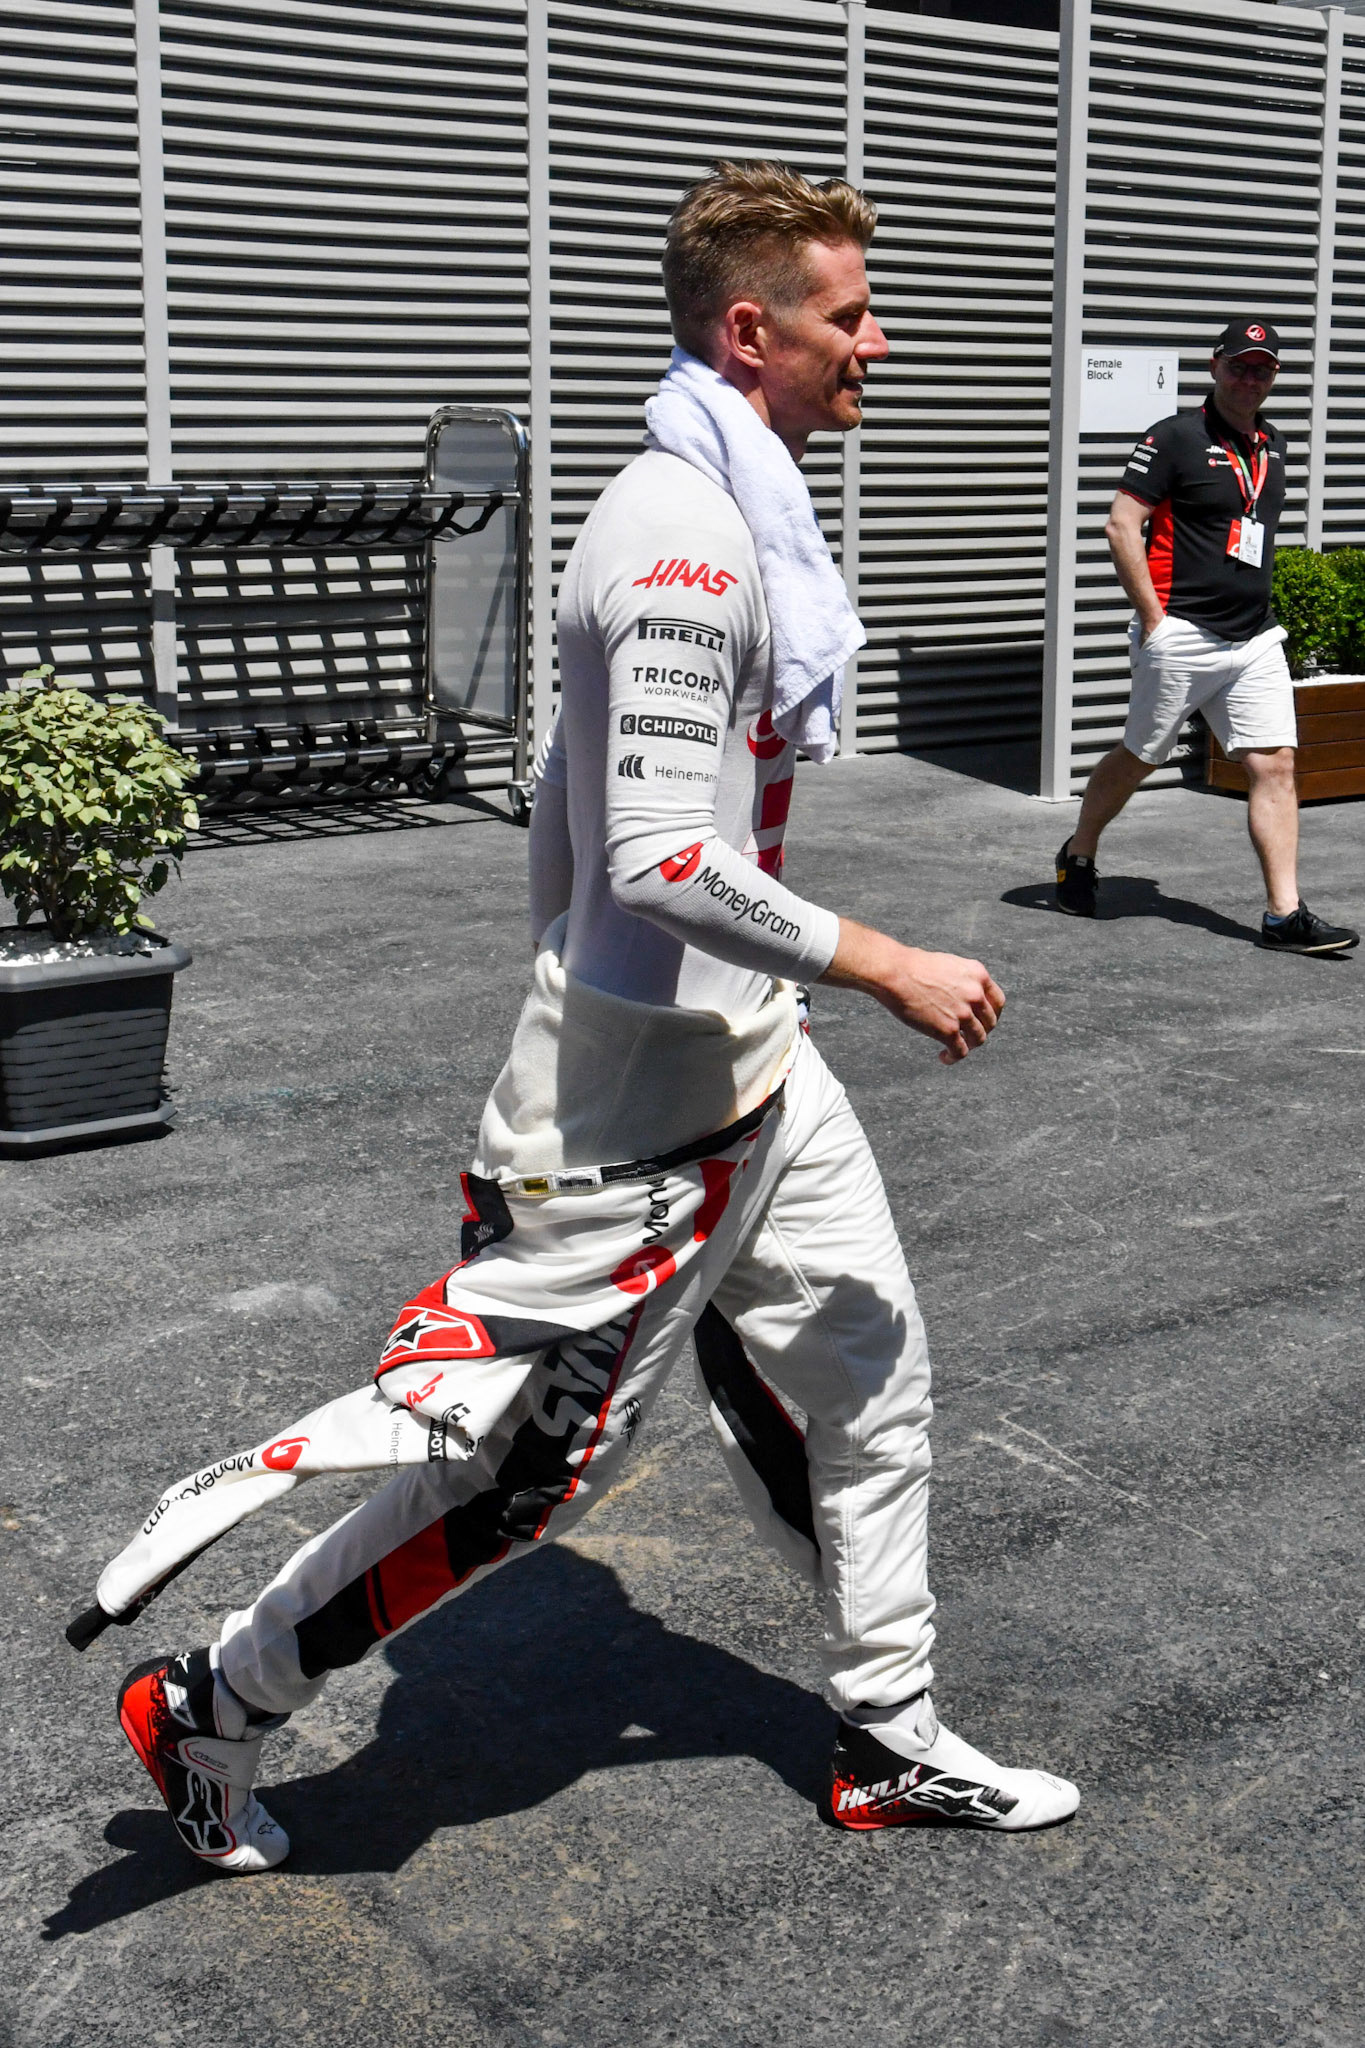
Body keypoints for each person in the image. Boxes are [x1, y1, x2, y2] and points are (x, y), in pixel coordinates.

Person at [109, 160, 1078, 1870]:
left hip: (749, 1070)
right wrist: (886, 958)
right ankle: (215, 1699)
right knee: (519, 1486)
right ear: (749, 325)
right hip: (628, 1125)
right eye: (853, 314)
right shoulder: (685, 534)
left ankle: (893, 1733)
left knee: (870, 1368)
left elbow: (583, 818)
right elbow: (653, 850)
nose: (883, 341)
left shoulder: (742, 495)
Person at [1055, 318, 1358, 954]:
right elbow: (1121, 526)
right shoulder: (1173, 438)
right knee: (1141, 756)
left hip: (1253, 639)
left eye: (1263, 368)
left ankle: (1284, 914)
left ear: (1273, 377)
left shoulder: (1272, 443)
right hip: (1182, 632)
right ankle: (1079, 852)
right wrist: (1155, 623)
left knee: (1275, 764)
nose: (1250, 378)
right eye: (1240, 365)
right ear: (1215, 366)